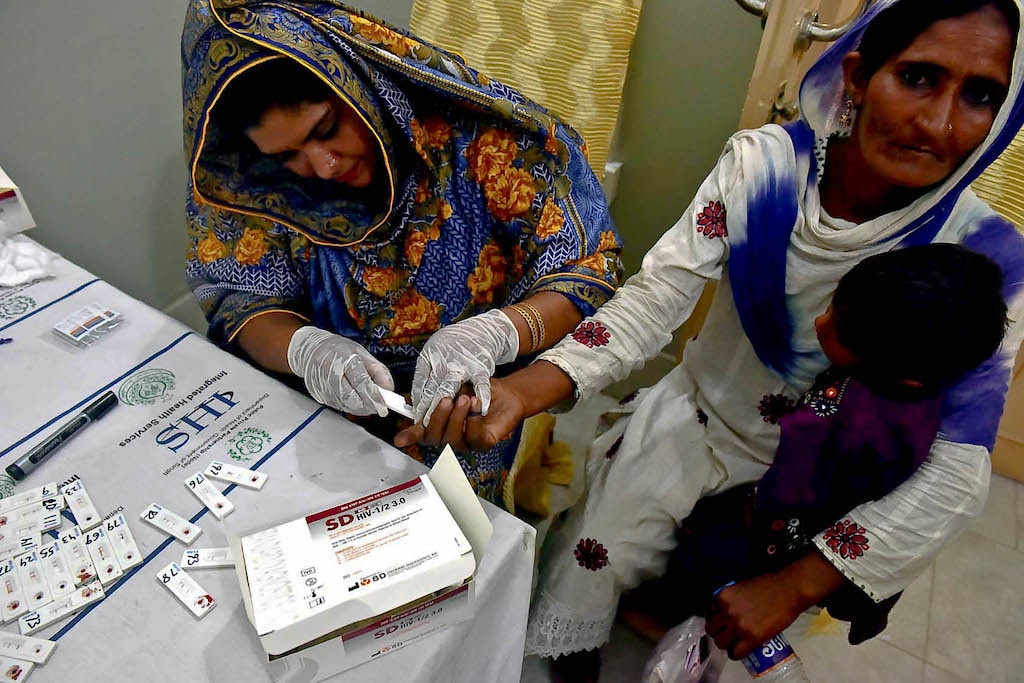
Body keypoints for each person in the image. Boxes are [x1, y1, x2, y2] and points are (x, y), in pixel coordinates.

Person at [432, 0, 1024, 676]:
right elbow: (655, 302)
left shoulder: (987, 258)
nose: (939, 123)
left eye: (981, 96)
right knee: (593, 552)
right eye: (918, 77)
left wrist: (795, 584)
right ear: (858, 75)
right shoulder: (763, 170)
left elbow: (956, 467)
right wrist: (518, 390)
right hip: (700, 414)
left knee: (718, 615)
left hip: (822, 473)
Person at [181, 0, 622, 504]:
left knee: (454, 545)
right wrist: (305, 350)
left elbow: (587, 268)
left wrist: (496, 334)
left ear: (361, 84)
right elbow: (242, 300)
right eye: (287, 155)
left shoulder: (482, 145)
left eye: (326, 130)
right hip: (322, 403)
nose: (323, 167)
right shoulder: (248, 184)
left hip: (469, 401)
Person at [635, 244, 1008, 648]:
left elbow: (790, 485)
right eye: (834, 305)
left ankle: (662, 617)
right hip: (817, 514)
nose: (820, 322)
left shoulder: (852, 419)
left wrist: (741, 509)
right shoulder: (919, 379)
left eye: (841, 329)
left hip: (784, 529)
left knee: (704, 555)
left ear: (904, 376)